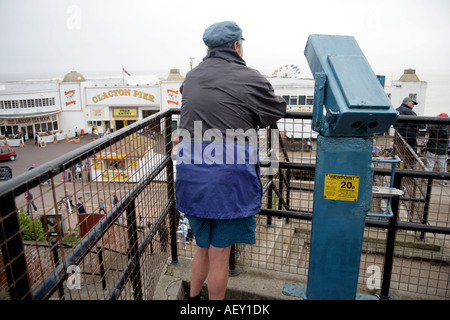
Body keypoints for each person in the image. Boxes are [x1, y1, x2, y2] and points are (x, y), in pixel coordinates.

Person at [175, 21, 286, 300]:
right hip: (228, 176)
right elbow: (275, 110)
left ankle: (193, 299)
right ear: (237, 46)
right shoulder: (250, 76)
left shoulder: (191, 76)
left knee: (202, 246)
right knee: (220, 254)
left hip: (191, 172)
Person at [425, 113, 449, 185]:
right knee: (443, 165)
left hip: (432, 147)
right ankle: (443, 180)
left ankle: (427, 179)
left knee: (430, 164)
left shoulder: (433, 125)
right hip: (443, 149)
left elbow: (427, 128)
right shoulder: (448, 127)